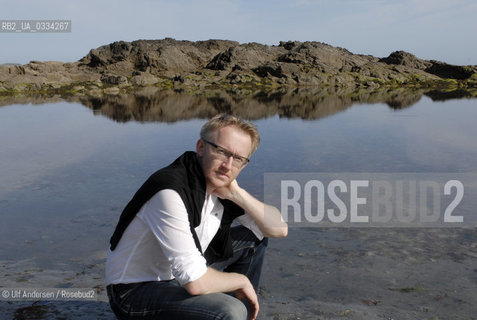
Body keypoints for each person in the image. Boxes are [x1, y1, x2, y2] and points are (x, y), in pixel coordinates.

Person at [105, 114, 288, 320]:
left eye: (237, 158)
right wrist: (240, 281)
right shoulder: (171, 190)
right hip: (133, 292)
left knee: (256, 239)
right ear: (201, 147)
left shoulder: (221, 185)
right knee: (230, 310)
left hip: (177, 275)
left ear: (244, 164)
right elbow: (195, 283)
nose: (227, 165)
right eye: (221, 151)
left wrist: (238, 194)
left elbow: (278, 229)